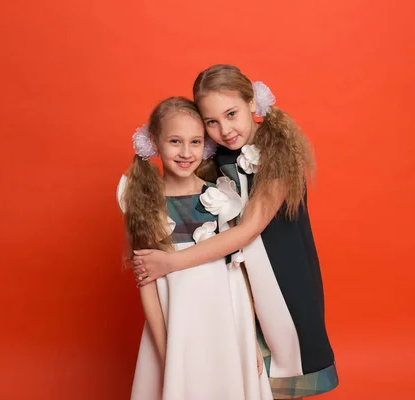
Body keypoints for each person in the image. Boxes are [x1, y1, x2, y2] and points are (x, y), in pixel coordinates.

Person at [133, 65, 338, 398]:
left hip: (283, 280)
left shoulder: (277, 153)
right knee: (242, 378)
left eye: (231, 114)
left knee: (285, 369)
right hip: (237, 284)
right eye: (211, 122)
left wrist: (170, 264)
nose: (224, 130)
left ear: (252, 103)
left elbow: (247, 230)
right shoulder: (214, 158)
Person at [118, 96, 271, 400]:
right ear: (155, 143)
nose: (186, 152)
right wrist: (166, 351)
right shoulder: (144, 203)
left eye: (195, 142)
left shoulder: (220, 198)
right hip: (176, 328)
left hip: (224, 323)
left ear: (206, 145)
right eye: (175, 141)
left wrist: (249, 341)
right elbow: (146, 283)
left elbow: (237, 272)